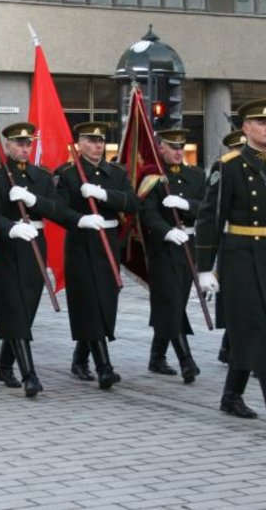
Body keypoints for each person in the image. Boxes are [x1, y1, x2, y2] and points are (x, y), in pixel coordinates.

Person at [195, 98, 266, 432]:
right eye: (260, 123)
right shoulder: (228, 166)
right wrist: (205, 268)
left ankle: (231, 395)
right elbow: (209, 219)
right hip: (240, 257)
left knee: (254, 328)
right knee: (261, 329)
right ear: (245, 128)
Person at [54, 122, 139, 390]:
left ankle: (80, 359)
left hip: (108, 243)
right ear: (79, 143)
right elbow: (58, 210)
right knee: (88, 302)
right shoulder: (68, 174)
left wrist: (103, 194)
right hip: (82, 243)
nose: (97, 145)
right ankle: (104, 367)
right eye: (91, 140)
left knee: (105, 299)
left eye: (101, 140)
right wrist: (81, 219)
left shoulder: (115, 172)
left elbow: (133, 202)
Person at [0, 122, 63, 397]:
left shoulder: (42, 175)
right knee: (15, 309)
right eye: (18, 143)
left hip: (36, 247)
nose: (24, 148)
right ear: (7, 145)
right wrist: (12, 227)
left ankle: (4, 367)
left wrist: (32, 200)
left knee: (25, 311)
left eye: (28, 144)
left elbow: (55, 209)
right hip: (9, 248)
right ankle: (30, 375)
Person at [138, 129, 203, 383]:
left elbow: (208, 208)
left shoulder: (196, 176)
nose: (177, 152)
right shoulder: (153, 178)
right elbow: (147, 213)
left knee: (175, 302)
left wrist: (186, 204)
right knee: (171, 300)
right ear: (161, 148)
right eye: (172, 147)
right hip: (162, 247)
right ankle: (186, 361)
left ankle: (157, 356)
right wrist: (166, 232)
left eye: (181, 147)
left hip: (188, 243)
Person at [215, 129, 246, 365]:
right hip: (231, 242)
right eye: (237, 149)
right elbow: (212, 210)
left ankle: (230, 347)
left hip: (259, 246)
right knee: (235, 302)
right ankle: (233, 349)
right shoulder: (222, 170)